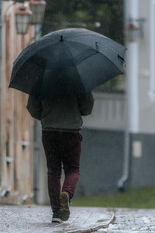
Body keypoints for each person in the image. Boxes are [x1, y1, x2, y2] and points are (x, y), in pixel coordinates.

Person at [27, 93, 94, 223]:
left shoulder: (41, 79)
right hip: (71, 132)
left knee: (53, 171)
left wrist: (47, 116)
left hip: (49, 132)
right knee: (73, 169)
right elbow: (87, 108)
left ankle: (57, 212)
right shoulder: (78, 81)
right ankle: (66, 194)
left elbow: (32, 108)